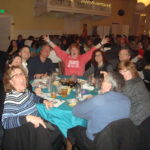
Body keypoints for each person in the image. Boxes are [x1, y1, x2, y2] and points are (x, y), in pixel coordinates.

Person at [2, 66, 64, 150]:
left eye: (21, 74)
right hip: (31, 134)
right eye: (16, 75)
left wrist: (44, 101)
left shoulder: (25, 91)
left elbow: (34, 97)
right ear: (11, 82)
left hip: (39, 124)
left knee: (60, 127)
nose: (20, 76)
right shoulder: (12, 98)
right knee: (58, 130)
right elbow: (5, 123)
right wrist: (28, 118)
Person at [68, 72, 131, 150]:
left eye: (104, 80)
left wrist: (87, 99)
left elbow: (76, 111)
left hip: (95, 143)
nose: (101, 82)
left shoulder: (98, 100)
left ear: (109, 85)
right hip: (116, 141)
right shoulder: (127, 100)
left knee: (71, 130)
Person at [44, 35, 109, 76]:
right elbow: (56, 48)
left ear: (78, 51)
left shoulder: (83, 58)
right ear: (70, 51)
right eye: (72, 50)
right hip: (67, 80)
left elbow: (92, 50)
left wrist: (101, 43)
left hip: (79, 81)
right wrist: (48, 41)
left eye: (76, 50)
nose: (74, 51)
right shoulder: (66, 57)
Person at [118, 61, 150, 125]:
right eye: (121, 71)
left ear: (132, 71)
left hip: (138, 118)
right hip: (146, 113)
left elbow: (118, 98)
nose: (123, 74)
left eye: (126, 71)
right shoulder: (137, 79)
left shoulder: (129, 84)